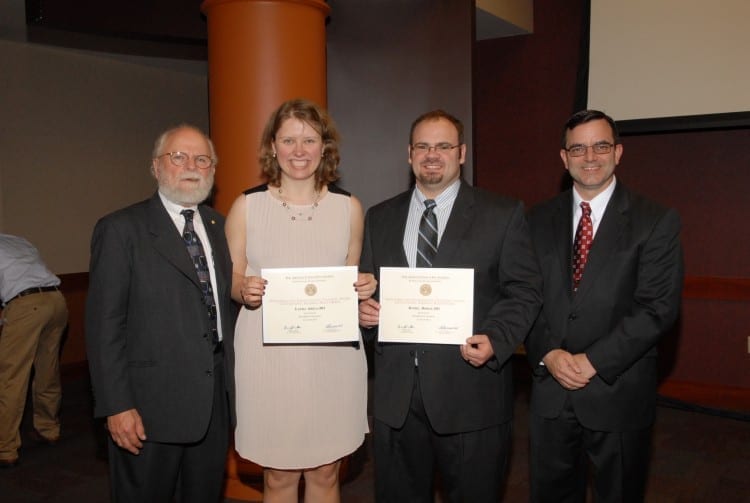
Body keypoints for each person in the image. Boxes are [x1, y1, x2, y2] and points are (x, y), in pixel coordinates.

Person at [358, 109, 543, 502]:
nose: (432, 155)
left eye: (443, 146)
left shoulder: (502, 214)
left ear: (461, 153)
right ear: (409, 154)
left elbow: (525, 289)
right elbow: (367, 289)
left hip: (470, 393)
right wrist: (366, 314)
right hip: (397, 400)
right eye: (423, 146)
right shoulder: (379, 217)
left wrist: (497, 338)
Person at [525, 109, 684, 502]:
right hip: (551, 390)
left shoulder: (655, 220)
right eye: (578, 148)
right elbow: (523, 296)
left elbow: (656, 308)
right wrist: (549, 352)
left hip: (619, 392)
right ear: (564, 158)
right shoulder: (533, 220)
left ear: (618, 152)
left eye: (600, 146)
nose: (589, 156)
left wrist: (591, 361)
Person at [226, 98, 375, 502]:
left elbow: (350, 276)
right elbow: (232, 277)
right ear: (272, 146)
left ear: (324, 146)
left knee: (327, 473)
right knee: (278, 475)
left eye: (309, 140)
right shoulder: (246, 207)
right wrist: (245, 289)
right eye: (288, 140)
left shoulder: (349, 209)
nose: (298, 150)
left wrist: (363, 286)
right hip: (268, 356)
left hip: (332, 357)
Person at [85, 124, 236, 502]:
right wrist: (116, 405)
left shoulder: (220, 227)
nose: (192, 166)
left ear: (213, 170)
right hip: (148, 408)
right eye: (179, 156)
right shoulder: (121, 229)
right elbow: (105, 325)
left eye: (202, 159)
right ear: (156, 167)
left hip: (213, 401)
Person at [0, 234, 68, 468]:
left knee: (11, 378)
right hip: (56, 300)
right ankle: (49, 428)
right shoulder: (17, 240)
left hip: (25, 305)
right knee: (47, 370)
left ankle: (5, 447)